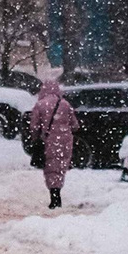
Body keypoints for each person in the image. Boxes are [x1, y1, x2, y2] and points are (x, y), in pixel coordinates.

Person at [29, 70, 76, 209]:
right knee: (60, 166)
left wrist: (35, 138)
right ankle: (58, 191)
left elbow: (34, 126)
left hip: (49, 140)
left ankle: (54, 196)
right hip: (66, 139)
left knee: (50, 168)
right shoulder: (65, 104)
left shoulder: (40, 105)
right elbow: (74, 124)